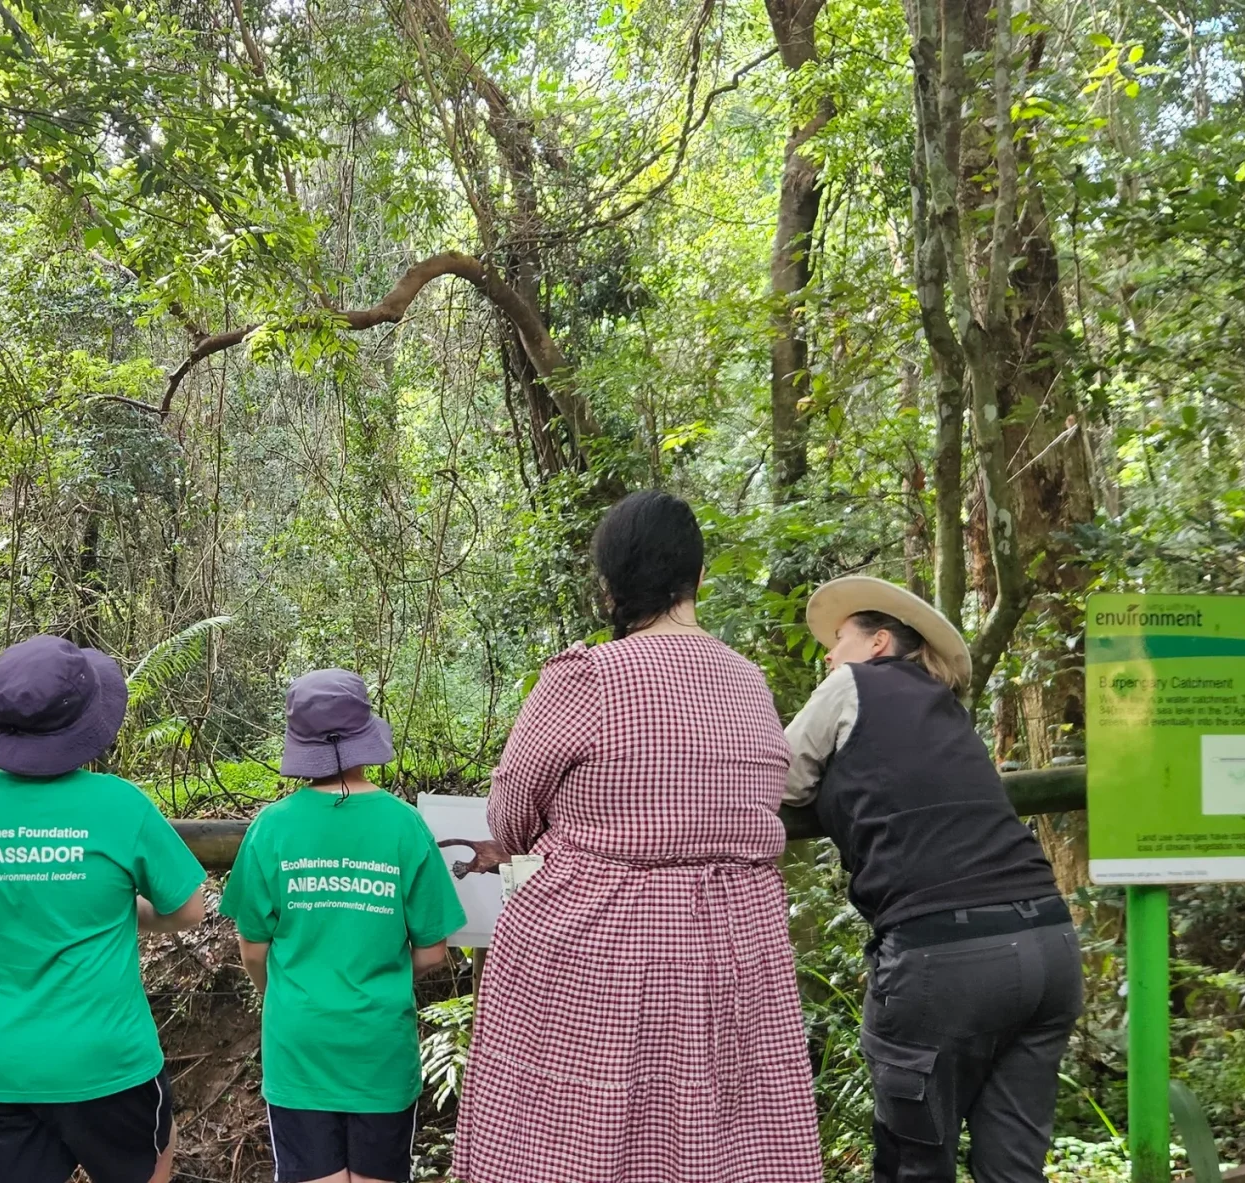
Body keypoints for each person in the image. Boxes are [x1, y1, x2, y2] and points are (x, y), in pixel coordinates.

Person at [444, 490, 820, 1182]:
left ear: (609, 588)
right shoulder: (750, 683)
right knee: (714, 1145)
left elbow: (509, 817)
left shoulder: (587, 678)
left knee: (574, 1141)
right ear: (699, 577)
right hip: (737, 947)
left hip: (600, 941)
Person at [785, 575, 1081, 1183]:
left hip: (944, 956)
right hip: (1049, 941)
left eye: (839, 640)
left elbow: (780, 778)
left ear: (878, 643)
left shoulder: (854, 684)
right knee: (1013, 1169)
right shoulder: (946, 709)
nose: (830, 656)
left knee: (914, 1165)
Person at [0, 634, 208, 1183]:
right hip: (108, 1059)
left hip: (4, 1063)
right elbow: (189, 909)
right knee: (154, 1155)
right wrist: (120, 913)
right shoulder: (119, 803)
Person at [220, 669, 467, 1183]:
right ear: (366, 738)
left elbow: (253, 948)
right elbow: (432, 951)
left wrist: (283, 993)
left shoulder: (272, 827)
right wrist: (382, 982)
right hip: (379, 1043)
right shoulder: (404, 824)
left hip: (299, 1042)